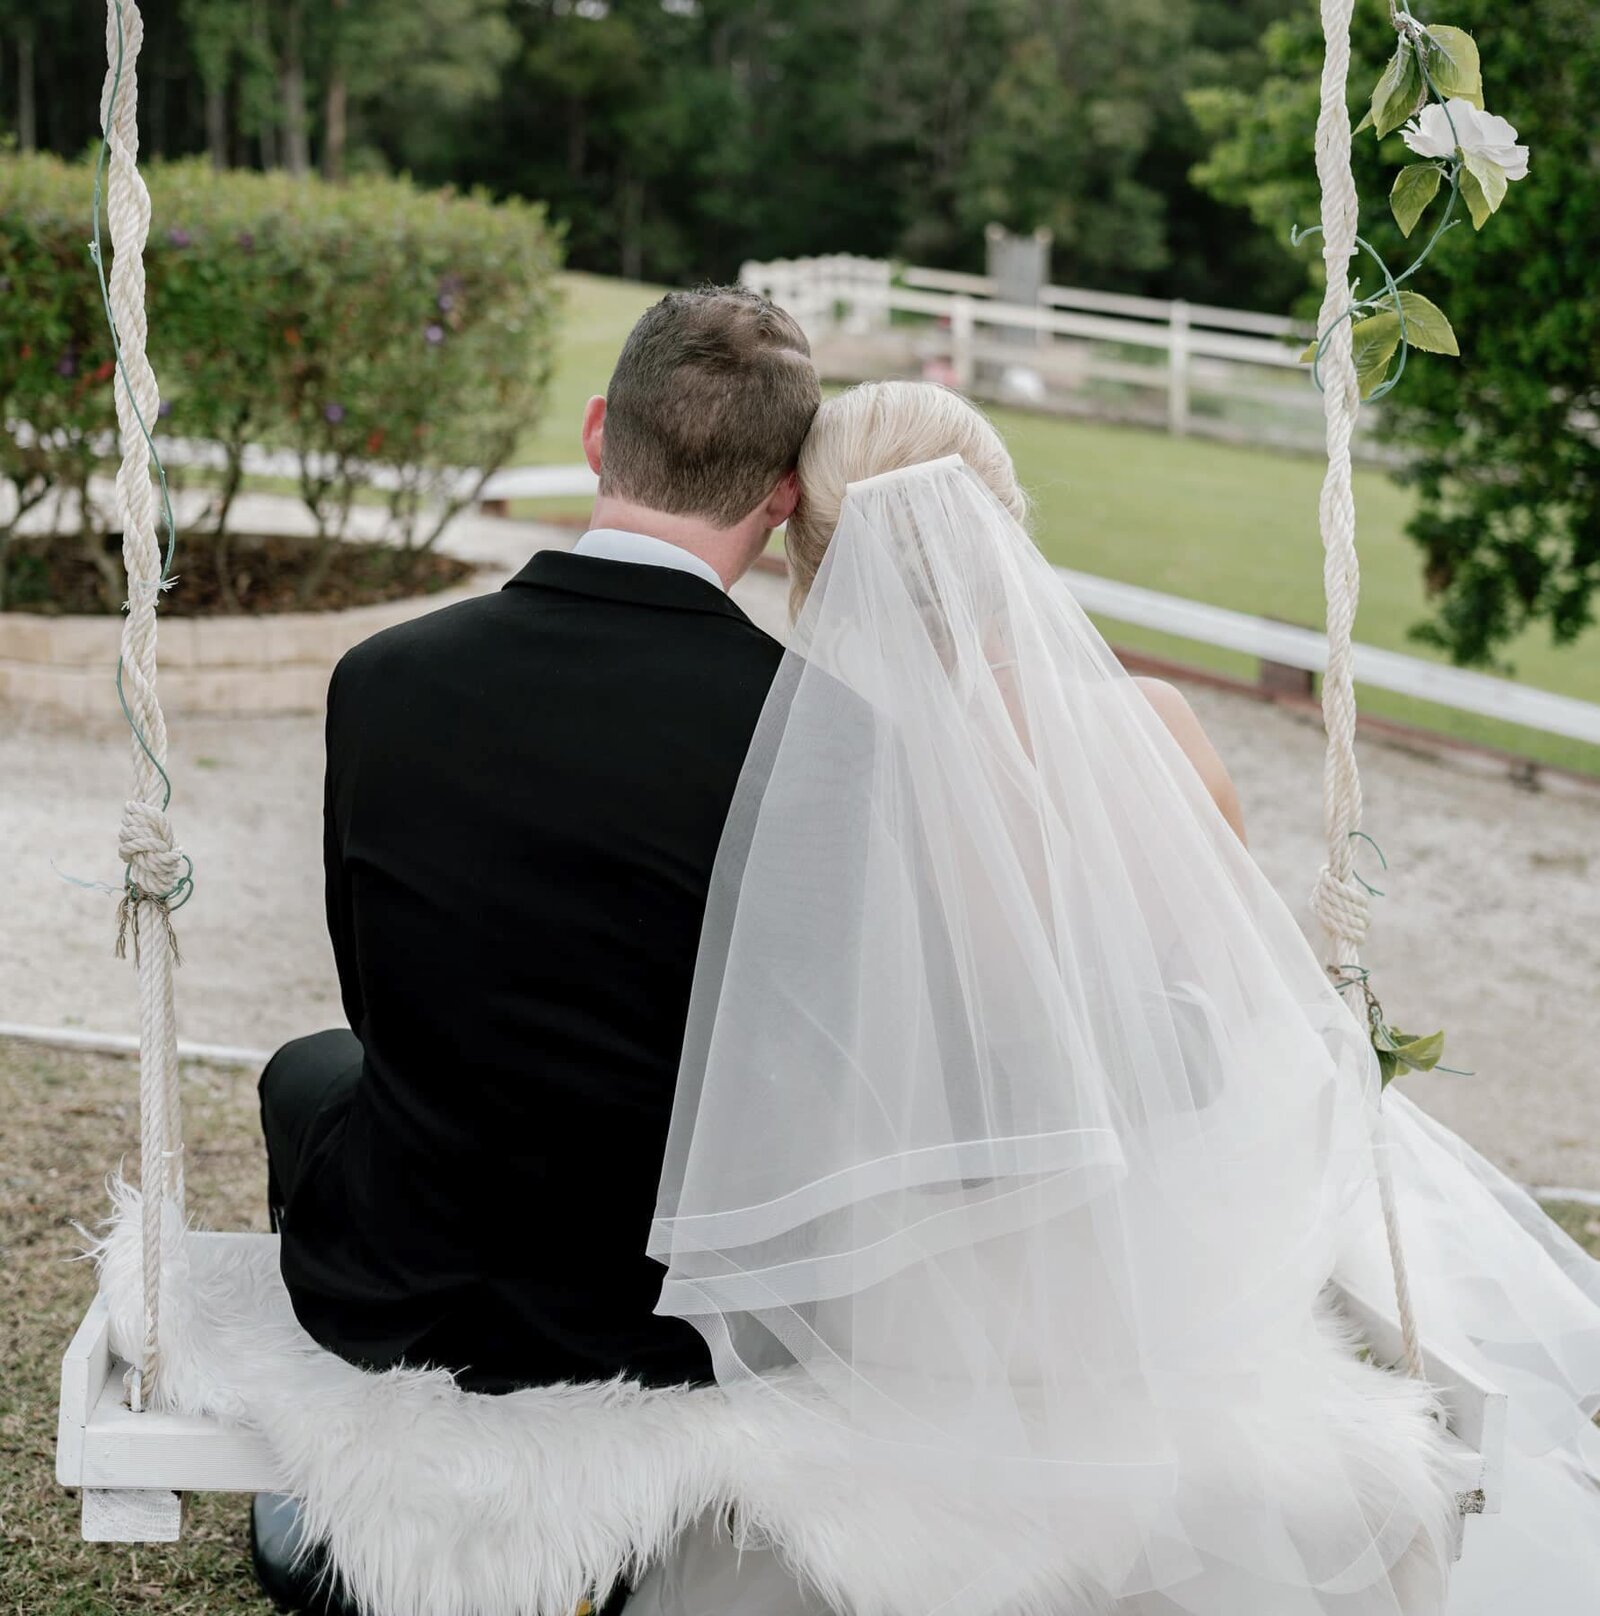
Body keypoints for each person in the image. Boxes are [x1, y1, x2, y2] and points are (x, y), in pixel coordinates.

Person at [636, 381, 1600, 1616]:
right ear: (1004, 527)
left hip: (900, 1307)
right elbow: (1256, 1023)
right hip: (1143, 1292)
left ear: (808, 553)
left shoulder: (804, 794)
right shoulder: (1152, 730)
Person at [250, 286, 820, 1610]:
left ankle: (349, 1507)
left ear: (596, 431)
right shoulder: (816, 731)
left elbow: (380, 990)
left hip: (416, 1273)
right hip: (670, 1313)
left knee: (310, 1071)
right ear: (782, 498)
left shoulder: (384, 678)